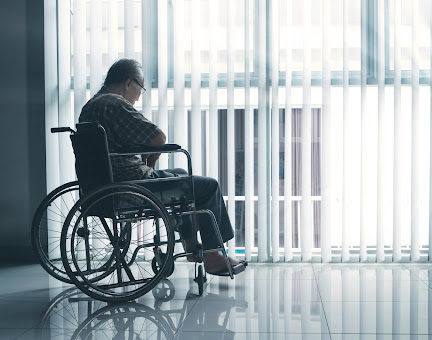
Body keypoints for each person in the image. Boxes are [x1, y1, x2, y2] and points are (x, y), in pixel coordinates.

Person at [79, 58, 245, 275]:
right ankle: (213, 256)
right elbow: (158, 137)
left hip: (103, 185)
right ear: (130, 82)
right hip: (130, 185)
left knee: (182, 176)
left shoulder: (90, 106)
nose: (139, 96)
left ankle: (190, 244)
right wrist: (153, 156)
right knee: (209, 186)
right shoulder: (113, 103)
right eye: (140, 89)